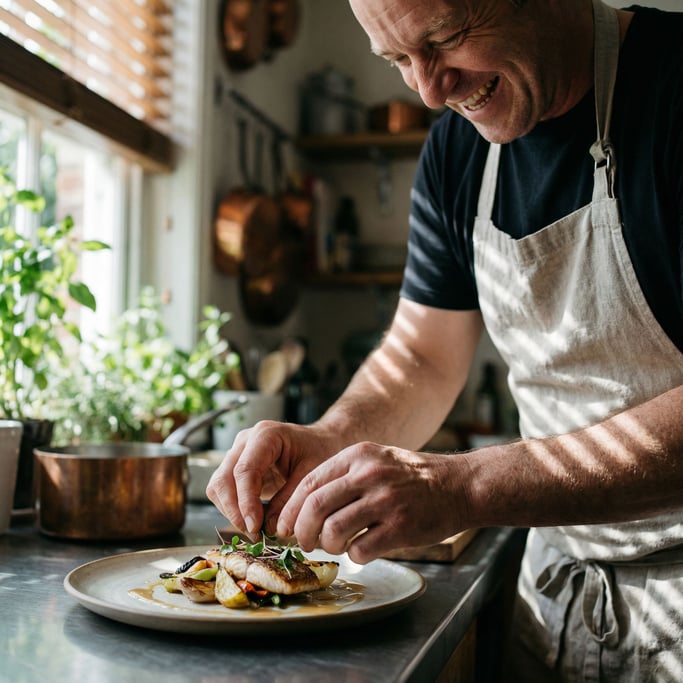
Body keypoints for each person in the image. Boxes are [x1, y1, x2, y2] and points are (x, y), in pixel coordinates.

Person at [207, 0, 683, 679]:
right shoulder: (457, 152)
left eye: (446, 38)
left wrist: (467, 486)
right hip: (558, 601)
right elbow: (421, 359)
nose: (431, 91)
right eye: (399, 60)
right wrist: (328, 437)